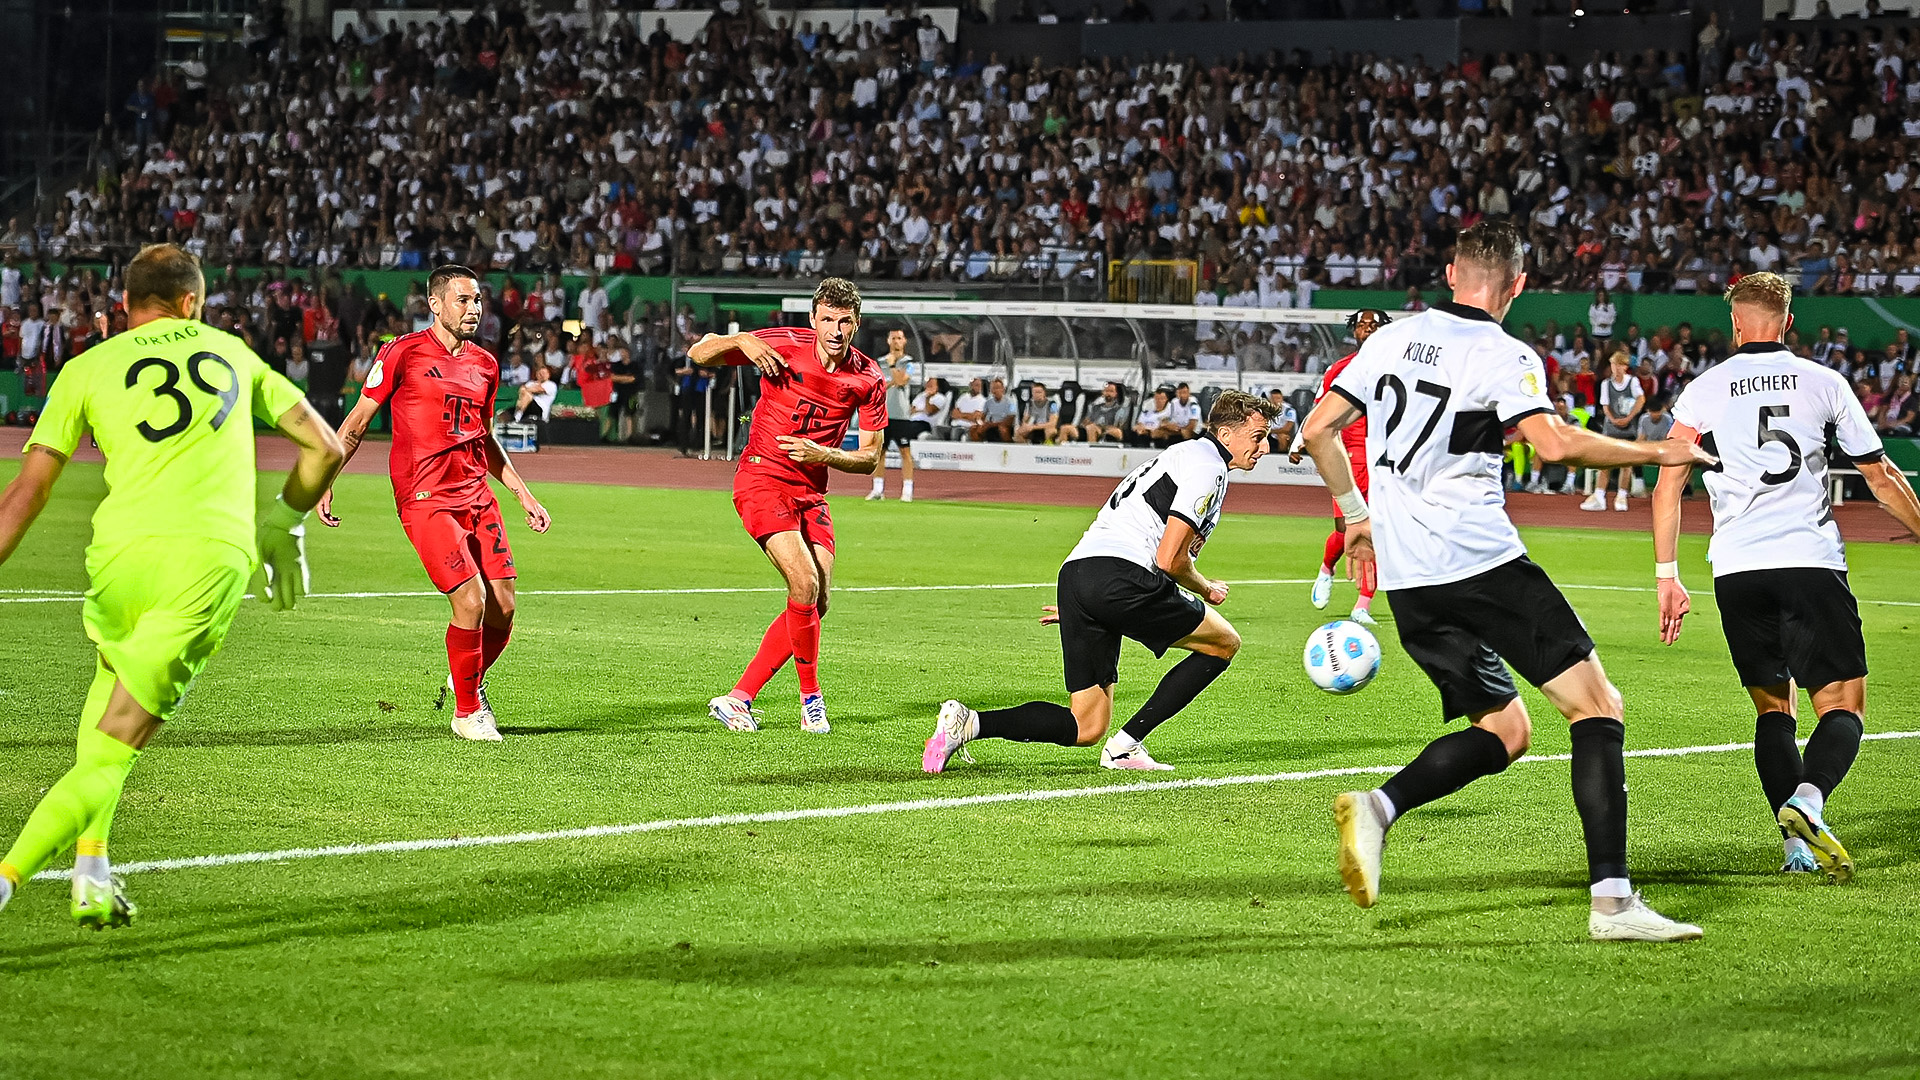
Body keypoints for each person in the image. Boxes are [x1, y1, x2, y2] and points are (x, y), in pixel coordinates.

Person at [1300, 219, 1713, 942]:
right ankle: (1613, 904)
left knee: (1507, 729)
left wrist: (1356, 517)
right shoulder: (1503, 352)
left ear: (1452, 273)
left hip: (1409, 577)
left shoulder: (1385, 343)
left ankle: (1378, 808)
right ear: (1518, 285)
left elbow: (1316, 431)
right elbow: (1552, 442)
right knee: (1598, 708)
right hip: (1480, 561)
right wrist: (1657, 448)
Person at [0, 243, 344, 925]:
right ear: (191, 301)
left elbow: (27, 493)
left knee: (106, 719)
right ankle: (6, 880)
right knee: (122, 738)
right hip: (202, 561)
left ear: (128, 305)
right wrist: (283, 523)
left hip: (117, 559)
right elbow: (327, 447)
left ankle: (91, 871)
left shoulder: (86, 365)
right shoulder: (233, 353)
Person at [1653, 272, 1920, 882]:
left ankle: (1795, 849)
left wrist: (1667, 575)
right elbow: (1879, 477)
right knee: (1843, 704)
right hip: (1809, 560)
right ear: (1790, 321)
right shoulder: (1825, 383)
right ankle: (1809, 799)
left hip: (1738, 569)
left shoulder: (1703, 391)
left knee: (1775, 708)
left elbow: (1670, 481)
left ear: (1736, 325)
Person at [923, 391, 1281, 774]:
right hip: (1121, 577)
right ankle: (1127, 747)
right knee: (1223, 643)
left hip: (1080, 576)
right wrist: (1206, 588)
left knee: (1087, 725)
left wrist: (1088, 603)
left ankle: (968, 722)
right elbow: (1168, 558)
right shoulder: (1208, 466)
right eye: (1258, 436)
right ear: (1226, 435)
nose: (1264, 446)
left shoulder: (1180, 455)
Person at [317, 264, 553, 743]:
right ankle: (467, 712)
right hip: (426, 498)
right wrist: (327, 477)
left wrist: (522, 493)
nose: (474, 309)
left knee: (503, 609)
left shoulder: (485, 364)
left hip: (476, 495)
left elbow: (483, 438)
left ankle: (463, 674)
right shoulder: (401, 353)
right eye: (463, 300)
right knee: (470, 599)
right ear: (435, 304)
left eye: (477, 301)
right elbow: (359, 420)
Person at [694, 278, 887, 736]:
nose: (835, 330)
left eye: (845, 321)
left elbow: (871, 458)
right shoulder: (781, 344)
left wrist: (825, 455)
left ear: (856, 324)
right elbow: (698, 353)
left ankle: (738, 698)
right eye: (827, 320)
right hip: (761, 478)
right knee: (803, 580)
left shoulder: (869, 378)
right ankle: (811, 700)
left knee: (817, 599)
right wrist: (740, 339)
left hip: (811, 491)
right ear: (812, 319)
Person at [1290, 308, 1390, 626]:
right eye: (1362, 325)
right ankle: (1326, 568)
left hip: (1386, 464)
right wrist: (1298, 441)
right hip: (1346, 461)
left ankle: (1362, 605)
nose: (1368, 329)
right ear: (1354, 332)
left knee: (1377, 533)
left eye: (1374, 325)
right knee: (1345, 529)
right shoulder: (1340, 369)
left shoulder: (1400, 368)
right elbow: (1321, 411)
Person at [1583, 350, 1646, 511]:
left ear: (1625, 367)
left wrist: (1629, 418)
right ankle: (1599, 496)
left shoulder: (1632, 382)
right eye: (1613, 364)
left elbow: (1641, 399)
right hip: (1611, 428)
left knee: (1626, 464)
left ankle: (1621, 496)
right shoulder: (1606, 384)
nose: (1615, 368)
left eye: (1619, 365)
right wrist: (1613, 420)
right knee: (1605, 462)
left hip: (1628, 428)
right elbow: (1605, 406)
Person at [869, 330, 921, 501]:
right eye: (893, 338)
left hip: (901, 414)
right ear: (888, 340)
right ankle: (877, 490)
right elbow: (877, 387)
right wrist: (891, 378)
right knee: (880, 452)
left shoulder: (910, 363)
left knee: (905, 452)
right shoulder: (880, 362)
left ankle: (907, 490)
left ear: (904, 341)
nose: (896, 341)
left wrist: (892, 369)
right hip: (882, 414)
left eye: (899, 338)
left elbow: (901, 381)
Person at [1061, 381, 1127, 444]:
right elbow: (1087, 420)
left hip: (1105, 430)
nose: (1108, 393)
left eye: (1111, 391)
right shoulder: (1095, 407)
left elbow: (1119, 427)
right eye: (1106, 391)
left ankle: (1091, 454)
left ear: (1116, 394)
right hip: (1088, 428)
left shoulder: (1119, 409)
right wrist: (1085, 422)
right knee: (1065, 428)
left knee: (1091, 428)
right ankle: (1061, 453)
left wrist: (1101, 426)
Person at [1265, 389, 1298, 455]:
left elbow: (1287, 429)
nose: (1275, 401)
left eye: (1278, 398)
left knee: (1282, 437)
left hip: (1280, 433)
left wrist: (1270, 431)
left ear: (1282, 398)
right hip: (1269, 432)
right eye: (1273, 399)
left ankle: (1282, 456)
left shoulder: (1289, 410)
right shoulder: (1265, 409)